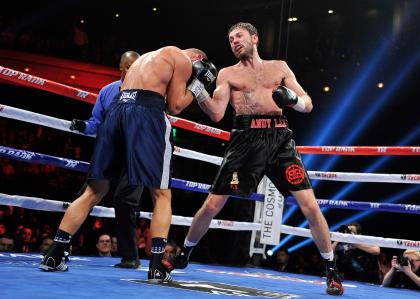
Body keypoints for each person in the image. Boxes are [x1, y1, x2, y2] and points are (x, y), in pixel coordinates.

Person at [173, 22, 343, 295]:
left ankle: (332, 271)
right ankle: (185, 252)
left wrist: (294, 101)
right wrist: (197, 87)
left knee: (310, 207)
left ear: (254, 38)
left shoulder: (279, 67)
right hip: (245, 140)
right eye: (230, 39)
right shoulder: (227, 74)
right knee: (211, 205)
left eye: (238, 36)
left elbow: (307, 103)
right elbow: (217, 112)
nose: (234, 41)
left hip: (279, 140)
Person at [40, 46, 217, 283]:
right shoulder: (182, 60)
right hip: (145, 113)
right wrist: (198, 85)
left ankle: (54, 254)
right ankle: (156, 267)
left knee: (94, 190)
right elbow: (175, 106)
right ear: (197, 58)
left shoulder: (147, 57)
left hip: (117, 111)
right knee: (161, 194)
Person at [70, 51, 144, 269]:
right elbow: (96, 122)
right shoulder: (107, 91)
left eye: (137, 66)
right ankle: (66, 245)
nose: (133, 70)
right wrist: (83, 126)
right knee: (85, 195)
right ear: (121, 67)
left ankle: (130, 257)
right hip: (108, 153)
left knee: (126, 201)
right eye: (129, 66)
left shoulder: (148, 93)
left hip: (134, 155)